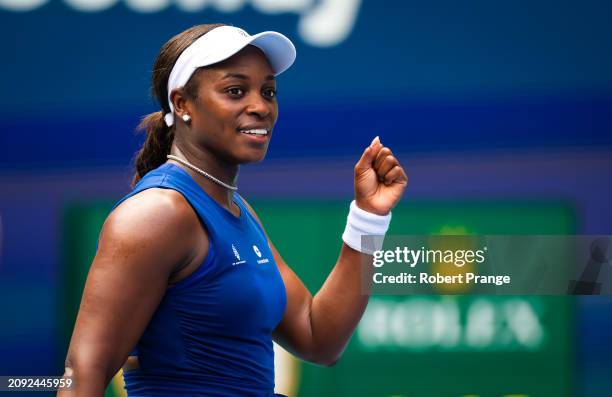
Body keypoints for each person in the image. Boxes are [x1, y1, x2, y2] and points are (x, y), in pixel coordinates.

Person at [60, 23, 407, 396]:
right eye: (235, 90)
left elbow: (318, 337)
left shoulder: (238, 210)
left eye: (268, 91)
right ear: (182, 104)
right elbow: (83, 374)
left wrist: (369, 218)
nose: (260, 107)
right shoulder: (157, 213)